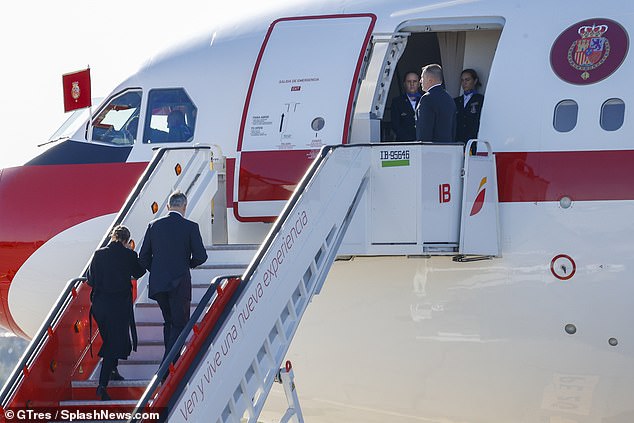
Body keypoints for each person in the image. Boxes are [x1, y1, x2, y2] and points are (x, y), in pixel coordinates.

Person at [139, 191, 207, 365]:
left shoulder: (153, 226)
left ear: (168, 206)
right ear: (185, 206)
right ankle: (167, 365)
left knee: (169, 322)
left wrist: (156, 271)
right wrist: (187, 264)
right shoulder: (191, 227)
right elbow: (201, 256)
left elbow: (143, 257)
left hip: (159, 284)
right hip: (179, 283)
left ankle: (170, 364)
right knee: (179, 323)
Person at [87, 225, 146, 401]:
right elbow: (139, 272)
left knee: (111, 340)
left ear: (113, 237)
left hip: (99, 306)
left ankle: (113, 372)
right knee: (113, 344)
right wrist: (131, 253)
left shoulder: (98, 254)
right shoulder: (129, 255)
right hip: (118, 307)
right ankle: (102, 385)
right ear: (126, 240)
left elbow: (91, 280)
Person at [415, 64, 456, 142]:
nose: (420, 81)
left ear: (430, 80)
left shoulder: (427, 98)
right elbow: (453, 129)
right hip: (448, 148)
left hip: (431, 150)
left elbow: (424, 130)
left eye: (422, 77)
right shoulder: (449, 99)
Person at [454, 68, 485, 154]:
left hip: (473, 140)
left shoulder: (480, 99)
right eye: (462, 80)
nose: (464, 83)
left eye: (467, 80)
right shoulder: (456, 101)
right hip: (458, 141)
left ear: (475, 81)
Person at [389, 71, 421, 141]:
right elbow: (395, 125)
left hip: (423, 142)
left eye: (414, 81)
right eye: (409, 81)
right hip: (404, 143)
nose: (412, 84)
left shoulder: (425, 100)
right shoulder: (397, 102)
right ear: (404, 84)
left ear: (419, 84)